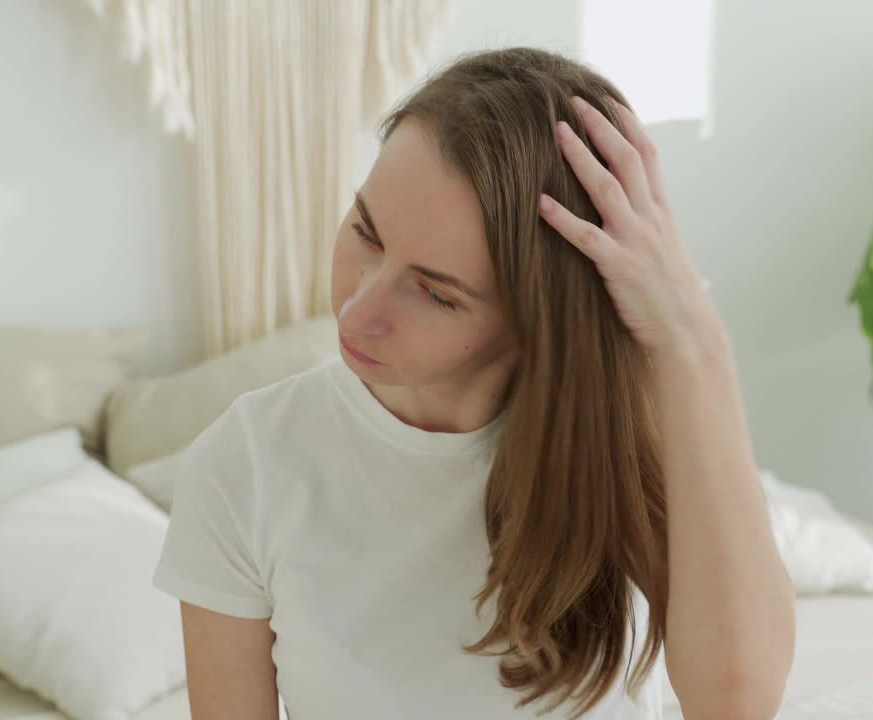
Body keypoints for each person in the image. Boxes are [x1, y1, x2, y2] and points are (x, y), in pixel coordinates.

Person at [152, 47, 795, 720]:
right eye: (367, 232)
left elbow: (738, 703)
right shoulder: (247, 465)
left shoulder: (635, 444)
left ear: (535, 320)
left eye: (434, 292)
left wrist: (693, 337)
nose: (358, 313)